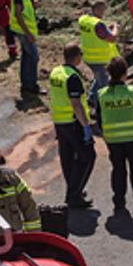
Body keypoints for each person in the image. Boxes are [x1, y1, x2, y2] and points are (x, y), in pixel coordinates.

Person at [92, 58, 133, 213]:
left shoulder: (101, 95)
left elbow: (98, 117)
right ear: (125, 74)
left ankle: (119, 201)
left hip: (113, 140)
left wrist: (104, 132)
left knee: (118, 170)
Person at [50, 45, 97, 209]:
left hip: (59, 122)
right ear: (77, 56)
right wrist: (86, 127)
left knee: (68, 158)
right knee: (87, 156)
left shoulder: (56, 72)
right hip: (73, 122)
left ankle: (73, 190)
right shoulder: (72, 77)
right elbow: (76, 104)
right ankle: (74, 194)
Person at [11, 0, 42, 97]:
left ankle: (26, 85)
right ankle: (32, 86)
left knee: (26, 57)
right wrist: (28, 33)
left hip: (25, 30)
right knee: (34, 57)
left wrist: (34, 5)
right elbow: (18, 14)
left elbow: (24, 8)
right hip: (23, 31)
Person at [77, 0, 120, 91]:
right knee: (103, 85)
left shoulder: (83, 19)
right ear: (97, 9)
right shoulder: (98, 24)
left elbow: (95, 33)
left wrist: (107, 29)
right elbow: (112, 38)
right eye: (102, 10)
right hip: (99, 59)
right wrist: (115, 27)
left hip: (87, 57)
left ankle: (91, 97)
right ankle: (97, 99)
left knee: (98, 79)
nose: (103, 12)